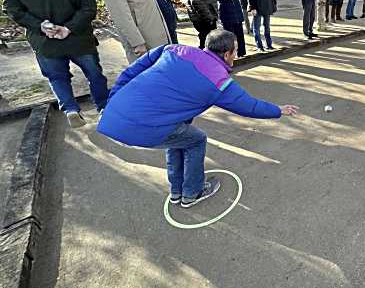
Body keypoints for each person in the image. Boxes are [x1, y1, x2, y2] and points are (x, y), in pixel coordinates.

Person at [97, 30, 298, 208]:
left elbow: (130, 71)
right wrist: (278, 110)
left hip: (112, 115)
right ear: (227, 54)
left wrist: (113, 100)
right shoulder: (218, 80)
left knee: (178, 137)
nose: (235, 55)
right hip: (141, 128)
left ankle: (177, 191)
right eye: (235, 51)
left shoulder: (173, 50)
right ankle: (192, 192)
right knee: (196, 139)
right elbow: (249, 106)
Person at [3, 0, 109, 128]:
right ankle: (103, 107)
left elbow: (11, 9)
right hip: (79, 40)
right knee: (94, 75)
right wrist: (68, 27)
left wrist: (40, 25)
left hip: (44, 42)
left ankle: (71, 109)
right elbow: (89, 9)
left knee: (57, 77)